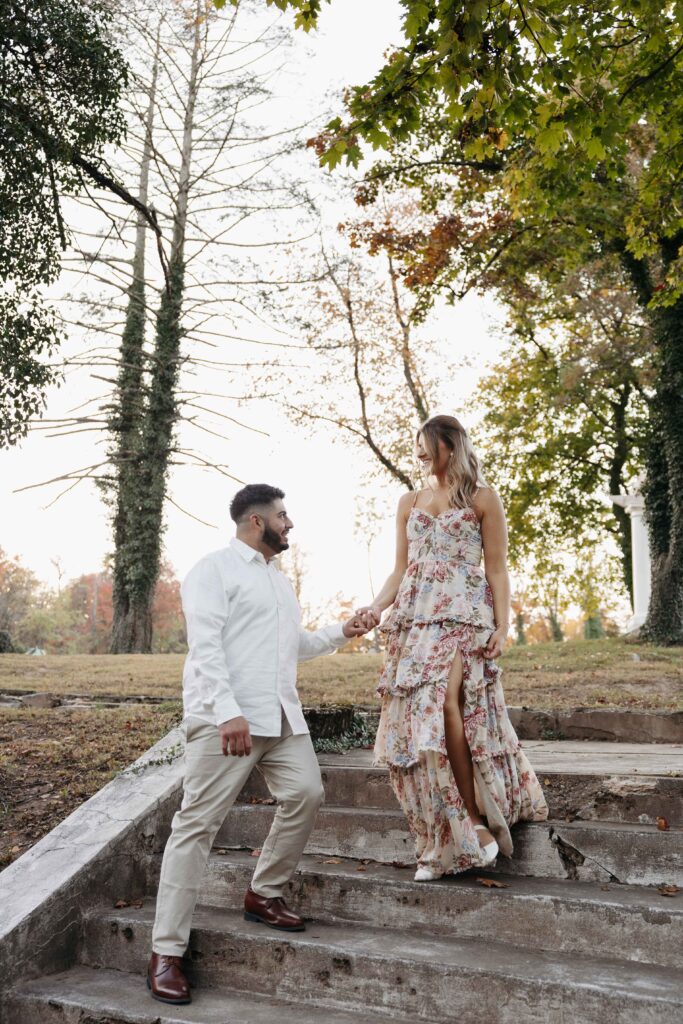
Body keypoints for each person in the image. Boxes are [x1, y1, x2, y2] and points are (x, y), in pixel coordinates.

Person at [148, 484, 369, 1005]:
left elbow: (299, 646)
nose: (289, 524)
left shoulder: (278, 582)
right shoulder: (213, 570)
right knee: (195, 827)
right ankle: (165, 952)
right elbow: (204, 644)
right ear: (255, 522)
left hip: (280, 719)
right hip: (226, 721)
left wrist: (344, 630)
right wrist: (228, 712)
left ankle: (263, 892)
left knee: (307, 793)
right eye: (282, 516)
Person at [356, 415, 548, 882]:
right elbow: (400, 570)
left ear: (450, 446)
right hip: (415, 617)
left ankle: (476, 823)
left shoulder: (483, 499)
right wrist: (377, 607)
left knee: (446, 702)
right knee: (420, 719)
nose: (419, 454)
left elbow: (498, 569)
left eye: (427, 446)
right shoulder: (409, 501)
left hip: (463, 613)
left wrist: (503, 626)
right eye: (417, 446)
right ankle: (443, 833)